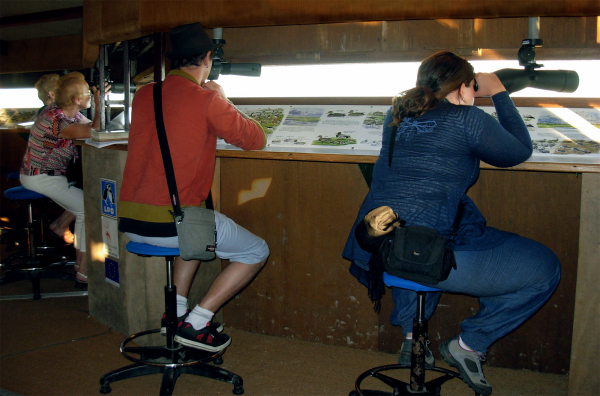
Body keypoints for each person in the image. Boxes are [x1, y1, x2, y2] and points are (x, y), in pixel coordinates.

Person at [342, 51, 560, 396]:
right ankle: (469, 344)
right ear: (463, 87)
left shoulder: (396, 114)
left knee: (416, 229)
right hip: (422, 252)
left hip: (375, 245)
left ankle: (412, 340)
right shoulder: (467, 118)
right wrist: (499, 91)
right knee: (545, 268)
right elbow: (518, 151)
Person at [118, 22, 269, 353]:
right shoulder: (207, 100)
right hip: (171, 224)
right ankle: (198, 322)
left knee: (198, 226)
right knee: (256, 250)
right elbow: (254, 138)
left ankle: (173, 314)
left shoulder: (144, 95)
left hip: (131, 222)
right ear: (208, 59)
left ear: (173, 60)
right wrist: (222, 99)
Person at [21, 71, 103, 283]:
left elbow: (93, 128)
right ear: (77, 100)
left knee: (83, 202)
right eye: (87, 92)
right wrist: (99, 104)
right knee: (87, 208)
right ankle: (84, 271)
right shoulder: (56, 120)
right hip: (41, 177)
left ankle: (79, 263)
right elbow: (93, 129)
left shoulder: (66, 113)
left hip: (48, 175)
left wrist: (95, 107)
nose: (89, 94)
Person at [34, 73, 76, 245]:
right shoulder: (54, 115)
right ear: (52, 94)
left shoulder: (44, 113)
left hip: (46, 170)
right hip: (50, 172)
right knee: (92, 193)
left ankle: (62, 224)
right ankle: (62, 225)